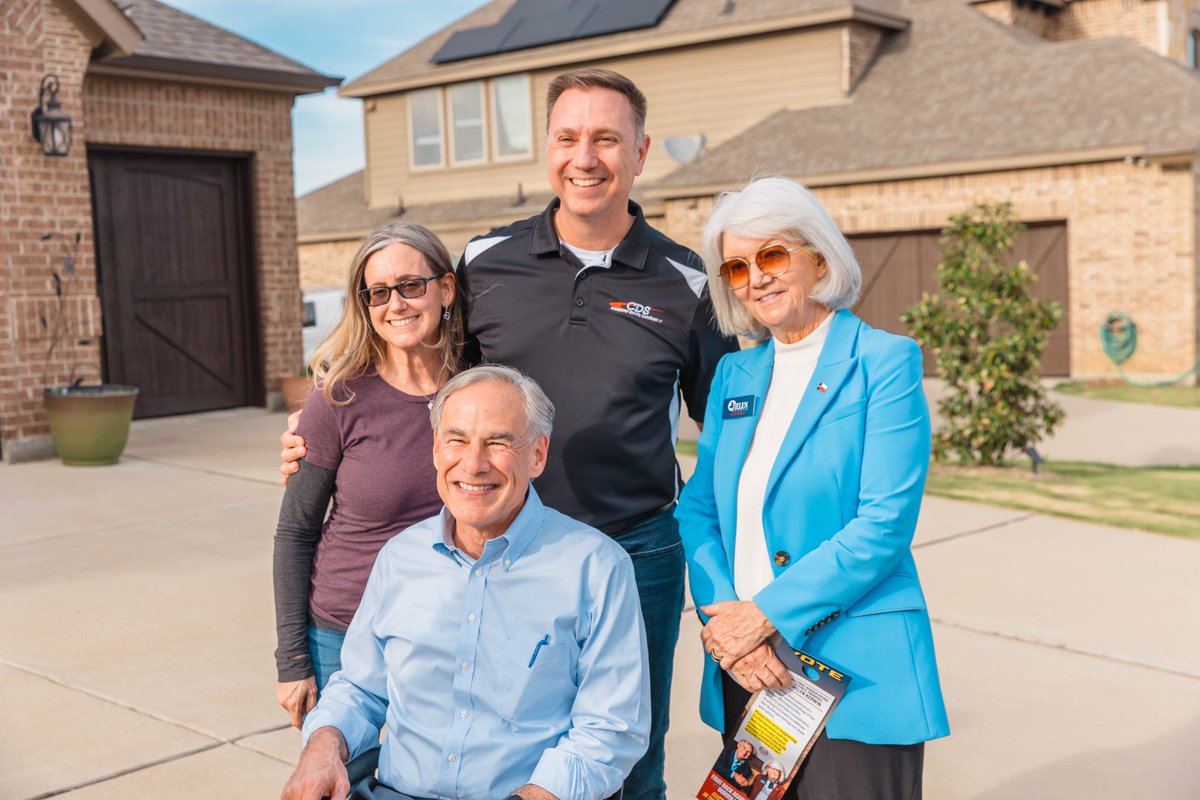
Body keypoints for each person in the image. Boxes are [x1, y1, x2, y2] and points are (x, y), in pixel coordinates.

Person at [281, 68, 738, 800]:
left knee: (630, 754)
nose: (584, 158)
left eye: (606, 139)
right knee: (496, 736)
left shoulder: (686, 283)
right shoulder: (488, 261)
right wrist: (327, 431)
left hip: (633, 543)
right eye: (568, 137)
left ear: (642, 151)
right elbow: (438, 385)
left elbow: (726, 438)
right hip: (499, 542)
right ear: (547, 148)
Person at [675, 177, 950, 800]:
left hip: (852, 665)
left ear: (819, 258)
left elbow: (882, 525)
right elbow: (698, 511)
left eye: (772, 255)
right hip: (748, 663)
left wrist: (764, 615)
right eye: (738, 267)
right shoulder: (733, 373)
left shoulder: (884, 361)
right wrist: (729, 626)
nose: (757, 278)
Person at [280, 365, 650, 800]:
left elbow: (609, 728)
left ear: (537, 454)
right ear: (437, 449)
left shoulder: (597, 568)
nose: (473, 464)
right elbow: (360, 687)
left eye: (498, 441)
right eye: (456, 439)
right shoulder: (400, 558)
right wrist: (322, 747)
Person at [272, 222, 463, 728]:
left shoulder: (480, 388)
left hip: (453, 633)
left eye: (410, 285)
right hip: (344, 635)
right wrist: (293, 662)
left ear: (445, 289)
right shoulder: (337, 399)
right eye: (378, 292)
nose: (395, 303)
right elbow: (295, 532)